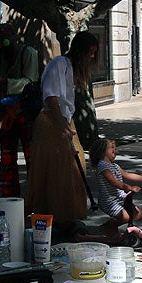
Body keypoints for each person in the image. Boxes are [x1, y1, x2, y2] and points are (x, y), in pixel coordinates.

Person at [26, 31, 99, 230]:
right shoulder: (59, 63)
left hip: (64, 121)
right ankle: (55, 218)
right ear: (80, 50)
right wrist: (62, 127)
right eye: (90, 53)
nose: (91, 57)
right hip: (52, 122)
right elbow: (51, 97)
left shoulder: (69, 67)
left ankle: (65, 217)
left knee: (72, 168)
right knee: (59, 170)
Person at [0, 23, 41, 197]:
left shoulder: (29, 53)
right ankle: (9, 196)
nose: (2, 49)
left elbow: (30, 81)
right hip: (7, 113)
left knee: (31, 157)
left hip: (25, 112)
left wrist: (4, 82)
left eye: (3, 43)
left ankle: (35, 197)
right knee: (7, 158)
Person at [89, 138, 142, 237]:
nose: (115, 150)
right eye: (111, 148)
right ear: (102, 151)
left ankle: (112, 227)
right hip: (109, 200)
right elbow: (113, 182)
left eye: (115, 148)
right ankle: (108, 226)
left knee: (137, 214)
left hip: (120, 198)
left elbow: (128, 175)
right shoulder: (102, 166)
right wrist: (129, 187)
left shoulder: (115, 166)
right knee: (125, 217)